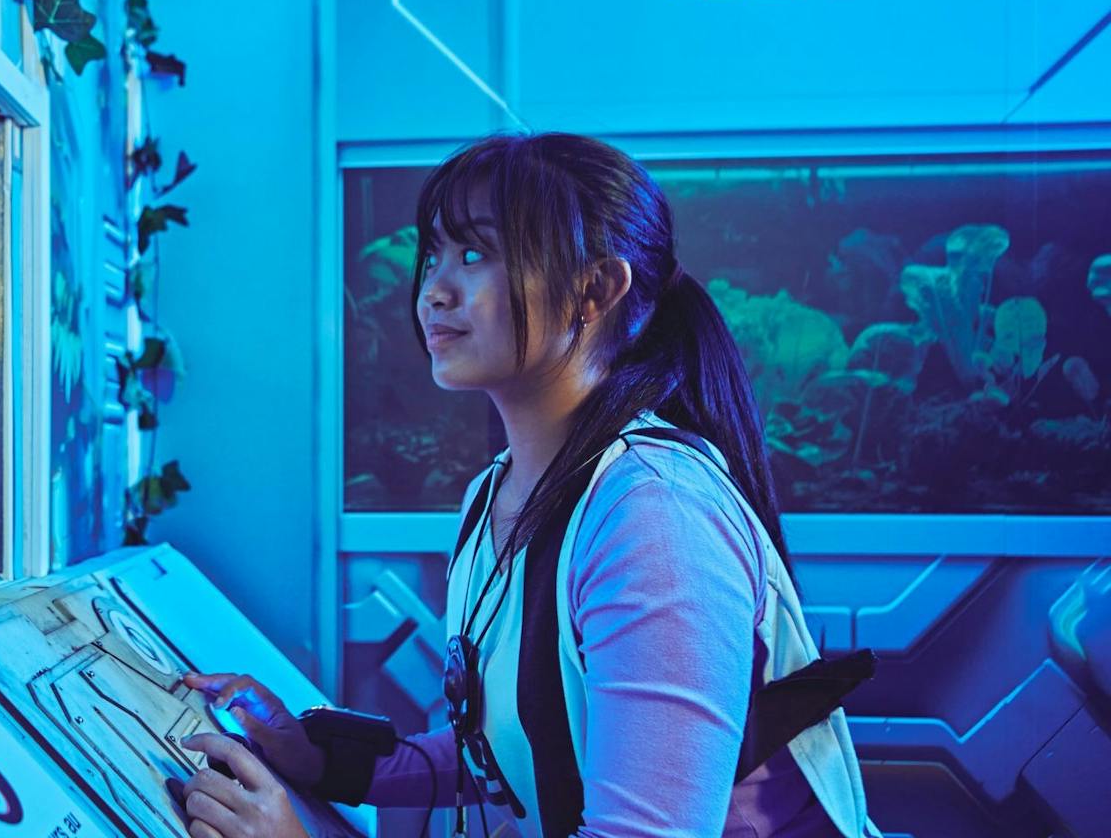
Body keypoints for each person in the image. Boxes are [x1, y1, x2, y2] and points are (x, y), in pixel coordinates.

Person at [175, 132, 882, 838]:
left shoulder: (653, 515)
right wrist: (312, 756)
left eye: (476, 254)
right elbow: (511, 752)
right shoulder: (495, 496)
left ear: (596, 289)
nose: (434, 290)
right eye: (434, 254)